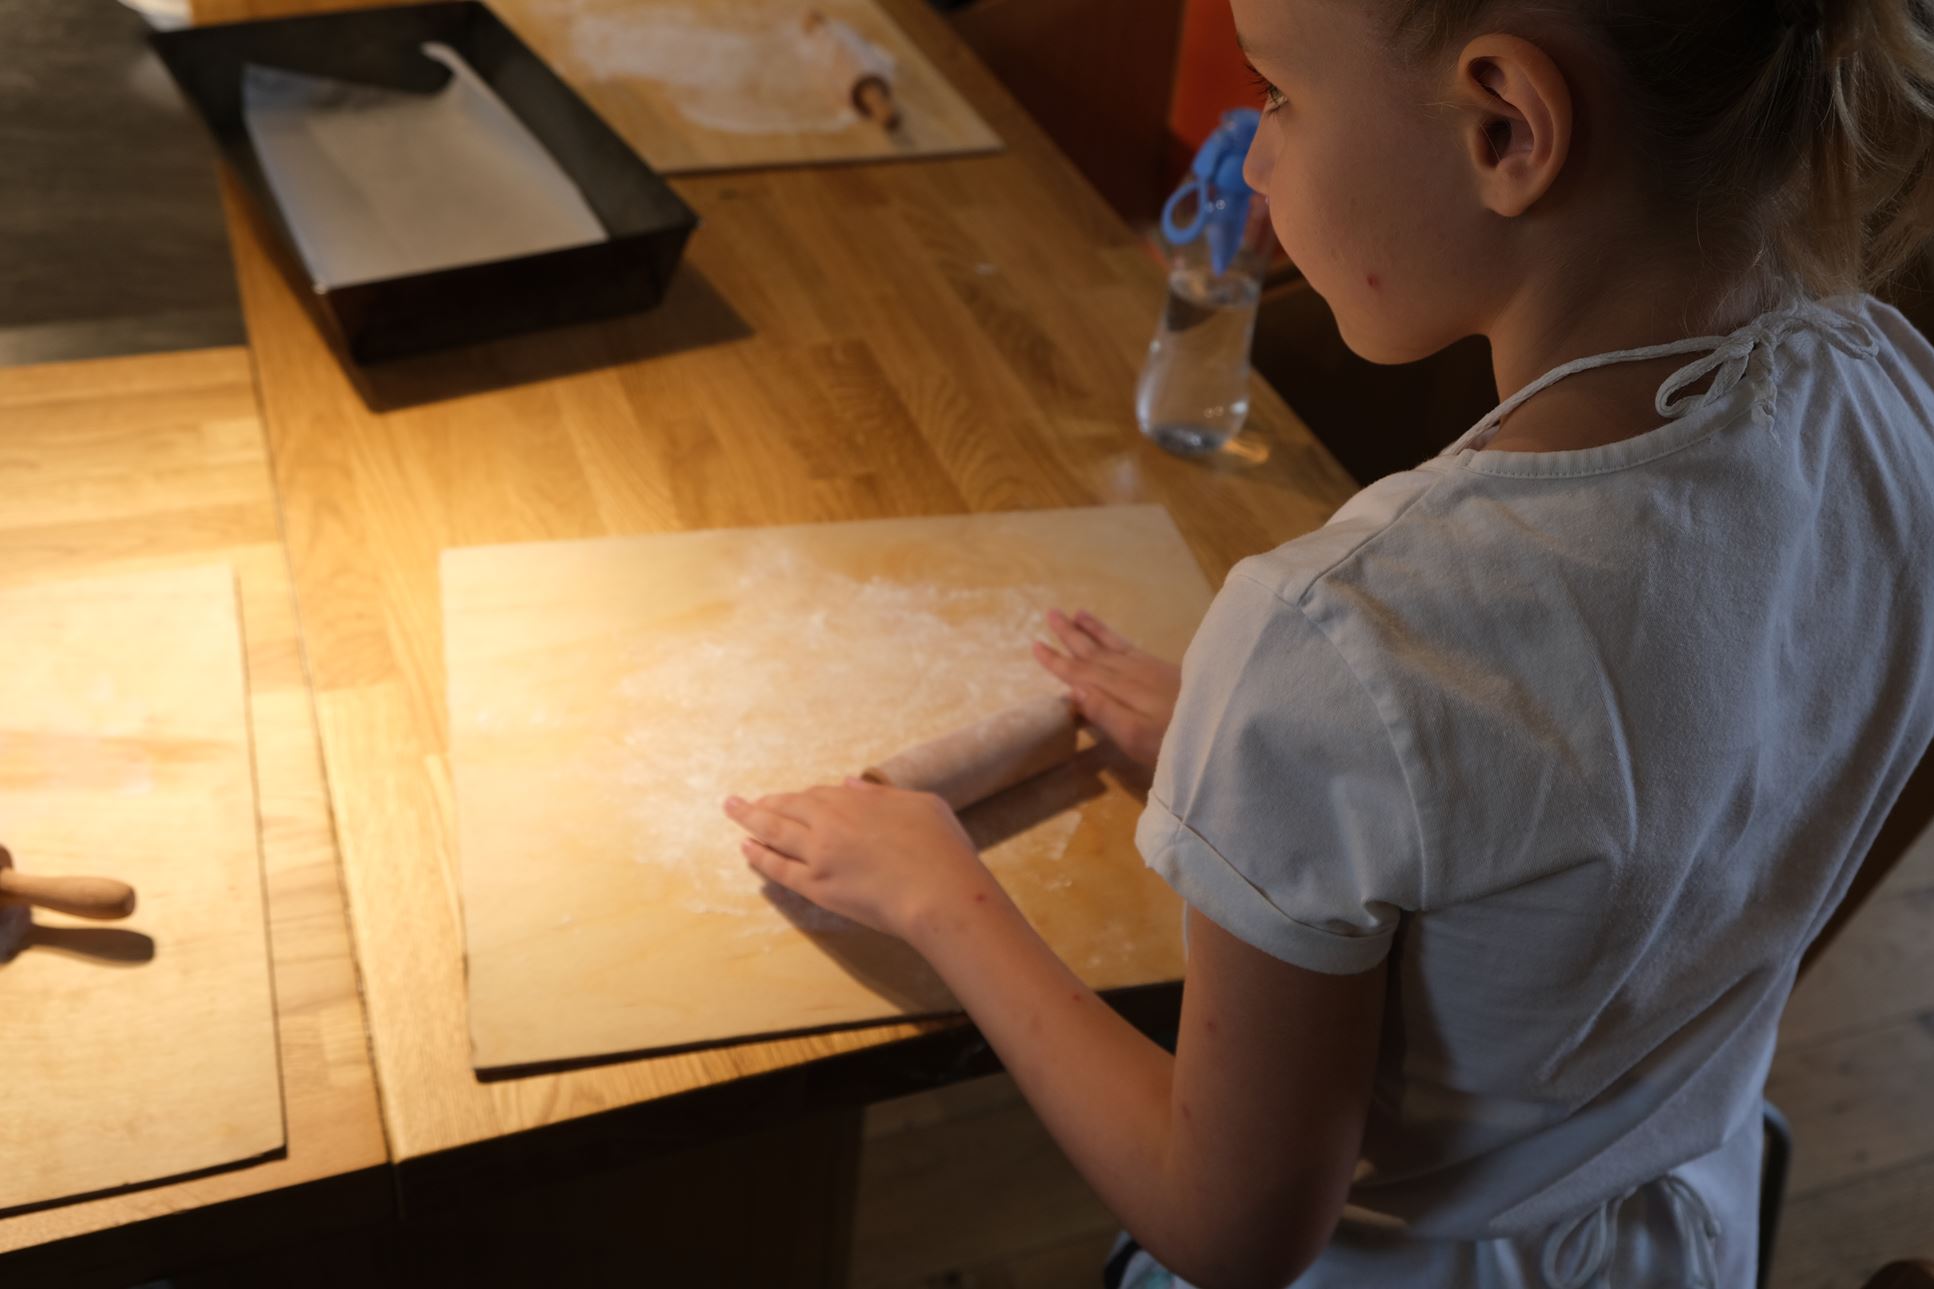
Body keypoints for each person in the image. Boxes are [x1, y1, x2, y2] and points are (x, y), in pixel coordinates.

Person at [724, 0, 1934, 1282]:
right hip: (1670, 1243)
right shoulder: (1890, 409)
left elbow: (1225, 1222)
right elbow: (1631, 807)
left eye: (1279, 96)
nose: (1252, 159)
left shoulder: (1342, 637)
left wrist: (938, 890)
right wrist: (1292, 777)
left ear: (1504, 126)